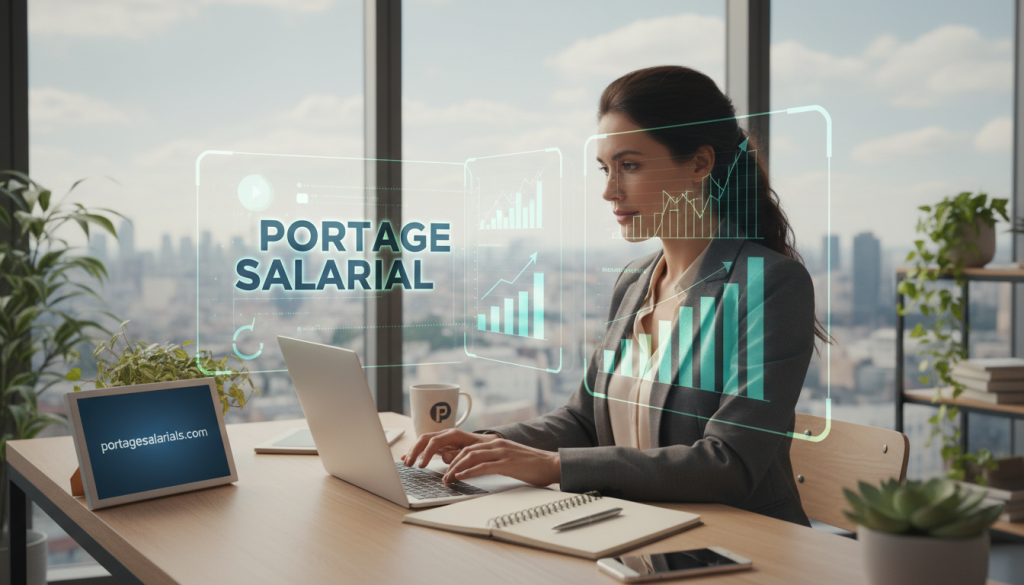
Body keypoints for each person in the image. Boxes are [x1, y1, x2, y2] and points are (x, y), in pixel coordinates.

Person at [402, 66, 826, 526]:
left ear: (701, 164)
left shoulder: (769, 284)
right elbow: (585, 421)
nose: (609, 191)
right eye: (606, 168)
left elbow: (730, 463)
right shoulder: (636, 281)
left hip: (740, 544)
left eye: (630, 165)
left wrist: (554, 467)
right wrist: (483, 443)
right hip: (636, 526)